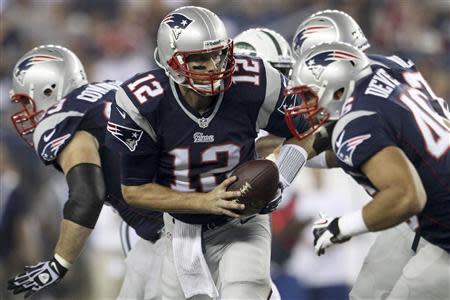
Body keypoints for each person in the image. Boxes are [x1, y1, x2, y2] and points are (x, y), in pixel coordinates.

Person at [105, 6, 316, 299]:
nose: (215, 65)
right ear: (172, 62)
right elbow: (135, 191)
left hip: (242, 221)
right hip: (181, 228)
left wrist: (280, 179)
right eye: (200, 59)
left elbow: (305, 129)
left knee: (244, 289)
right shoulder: (143, 104)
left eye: (218, 54)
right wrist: (205, 201)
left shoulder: (254, 83)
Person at [291, 10, 450, 299]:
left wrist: (343, 226)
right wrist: (291, 154)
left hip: (430, 211)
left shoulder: (357, 119)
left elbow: (404, 194)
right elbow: (382, 148)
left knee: (410, 289)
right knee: (367, 290)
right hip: (427, 197)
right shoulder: (391, 67)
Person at [7, 44, 164, 299]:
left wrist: (58, 264)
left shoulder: (64, 118)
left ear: (49, 89)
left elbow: (86, 195)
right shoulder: (114, 87)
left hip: (177, 228)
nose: (27, 112)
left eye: (27, 100)